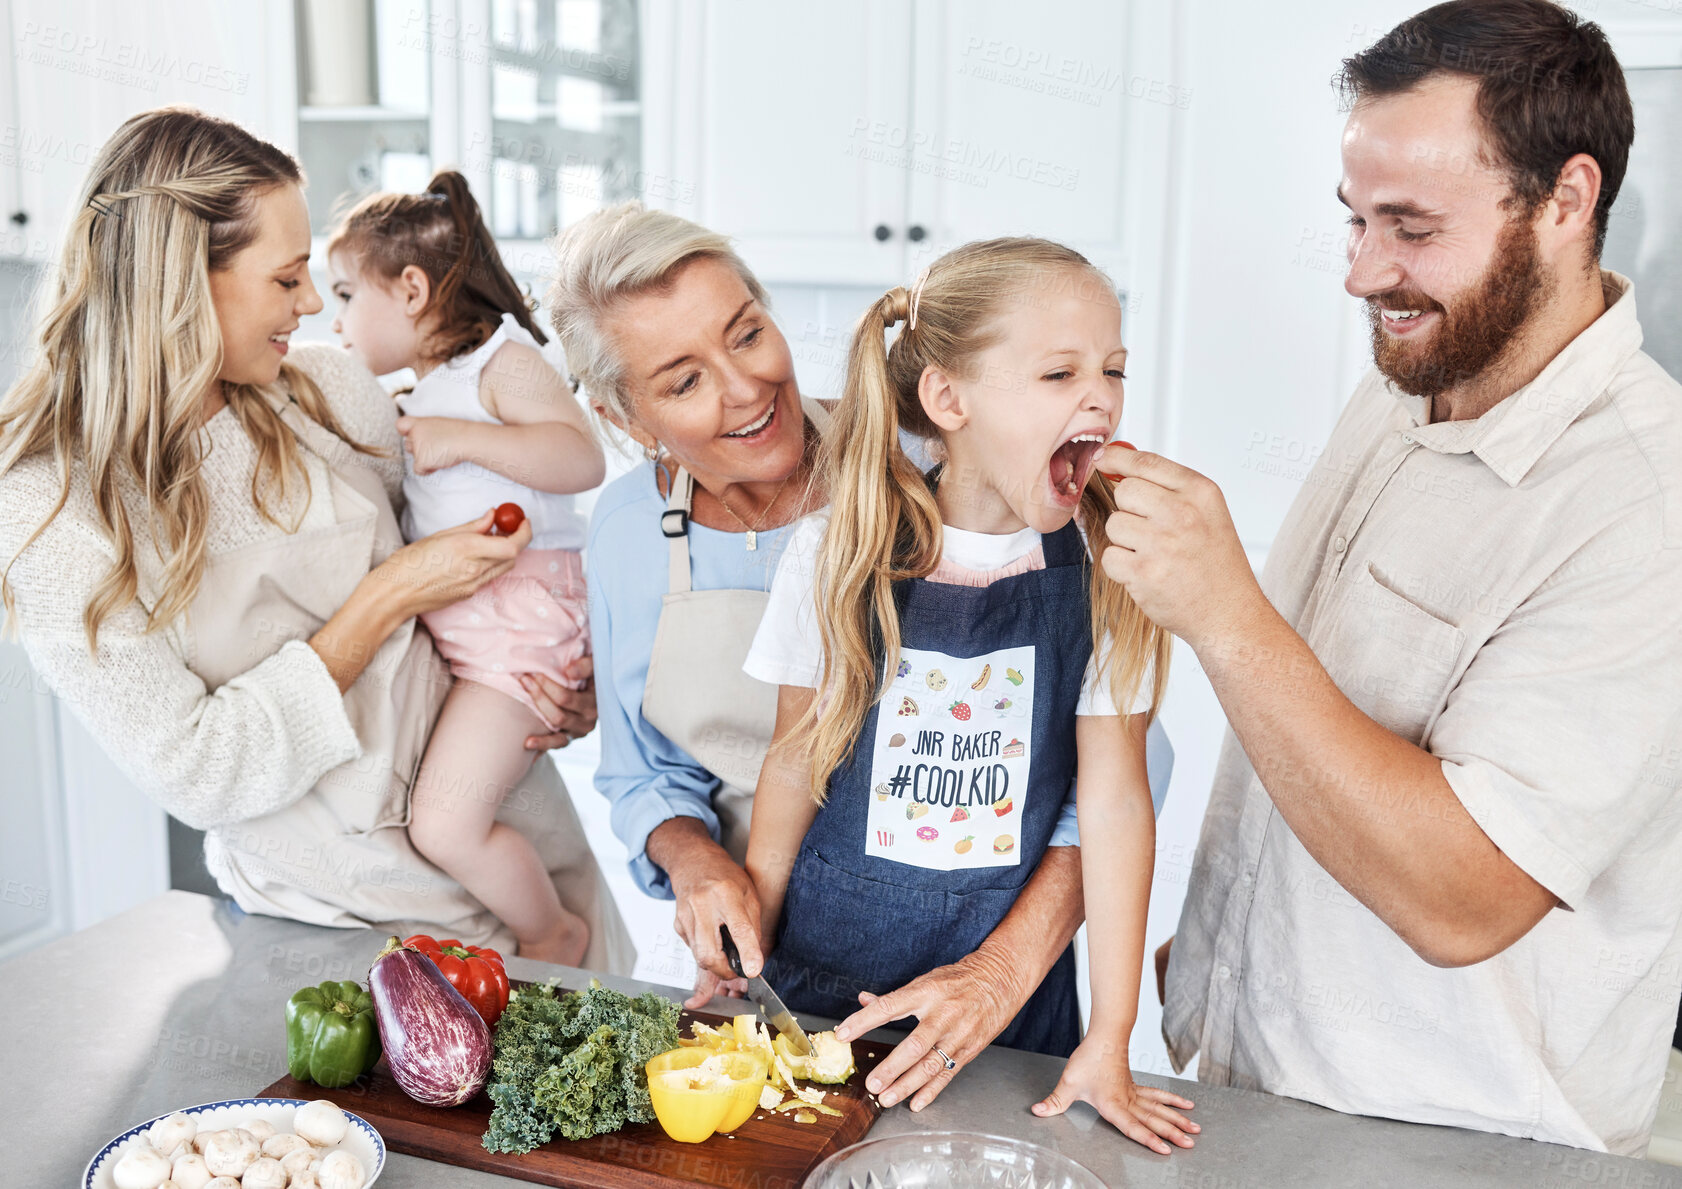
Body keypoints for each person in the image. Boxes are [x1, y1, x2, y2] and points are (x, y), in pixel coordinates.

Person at [1112, 0, 1682, 1156]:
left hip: (1452, 1141)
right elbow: (1332, 711)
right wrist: (1230, 939)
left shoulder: (1643, 504)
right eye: (1354, 220)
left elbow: (1462, 896)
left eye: (1410, 227)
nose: (1363, 272)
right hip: (1255, 1084)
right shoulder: (1412, 377)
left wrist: (1221, 612)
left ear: (1565, 202)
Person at [547, 203, 1169, 1112]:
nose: (747, 386)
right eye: (683, 380)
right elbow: (676, 769)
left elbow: (1113, 788)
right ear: (626, 416)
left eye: (748, 332)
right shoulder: (648, 534)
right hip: (782, 957)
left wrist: (1073, 1010)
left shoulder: (978, 476)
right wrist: (718, 889)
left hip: (1001, 982)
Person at [0, 106, 632, 969]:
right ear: (182, 278)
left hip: (521, 863)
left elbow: (486, 590)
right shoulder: (53, 510)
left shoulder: (330, 393)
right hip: (343, 928)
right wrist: (386, 595)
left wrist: (561, 683)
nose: (309, 307)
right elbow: (202, 769)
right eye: (287, 277)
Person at [741, 238, 1197, 1152]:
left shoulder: (1113, 569)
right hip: (822, 996)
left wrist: (1112, 1038)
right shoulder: (838, 548)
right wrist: (745, 937)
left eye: (1112, 369)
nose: (1100, 396)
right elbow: (794, 759)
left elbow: (1111, 803)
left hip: (1011, 1031)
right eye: (1059, 371)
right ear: (949, 400)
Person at [326, 170, 603, 964]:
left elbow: (579, 455)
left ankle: (554, 930)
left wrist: (463, 437)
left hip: (517, 632)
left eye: (346, 295)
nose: (335, 318)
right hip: (479, 635)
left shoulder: (497, 363)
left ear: (411, 289)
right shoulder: (429, 386)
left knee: (444, 823)